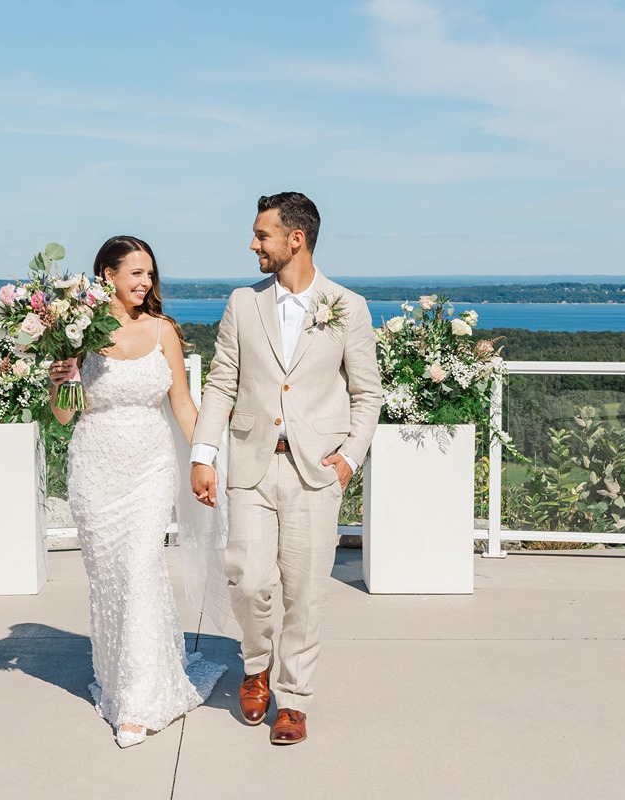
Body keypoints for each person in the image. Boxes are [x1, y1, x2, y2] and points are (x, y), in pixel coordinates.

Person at [190, 192, 382, 745]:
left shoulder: (348, 306)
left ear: (294, 239)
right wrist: (204, 454)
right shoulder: (241, 303)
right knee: (248, 582)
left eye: (262, 235)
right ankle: (256, 666)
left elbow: (367, 394)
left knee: (304, 592)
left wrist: (349, 459)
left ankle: (293, 700)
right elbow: (223, 381)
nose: (253, 244)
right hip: (251, 465)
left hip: (315, 472)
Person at [49, 235, 226, 749]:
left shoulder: (164, 330)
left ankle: (141, 702)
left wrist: (206, 457)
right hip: (95, 471)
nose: (146, 282)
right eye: (136, 273)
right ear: (107, 275)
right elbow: (62, 414)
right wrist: (61, 377)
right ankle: (118, 678)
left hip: (150, 469)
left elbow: (184, 406)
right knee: (109, 580)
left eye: (150, 273)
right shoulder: (76, 334)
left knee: (140, 570)